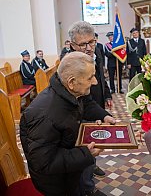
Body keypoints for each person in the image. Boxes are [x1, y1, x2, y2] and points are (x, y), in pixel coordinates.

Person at [20, 52, 115, 196]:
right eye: (90, 77)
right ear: (71, 82)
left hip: (71, 174)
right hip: (58, 185)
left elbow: (70, 120)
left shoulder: (69, 92)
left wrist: (93, 122)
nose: (95, 81)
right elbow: (44, 163)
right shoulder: (44, 114)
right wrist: (85, 154)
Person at [69, 21, 114, 196]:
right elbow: (82, 100)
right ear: (73, 45)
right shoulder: (71, 65)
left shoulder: (98, 52)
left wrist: (107, 95)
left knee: (95, 144)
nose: (89, 47)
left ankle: (92, 167)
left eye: (91, 41)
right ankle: (88, 188)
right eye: (83, 44)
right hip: (81, 113)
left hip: (97, 105)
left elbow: (102, 76)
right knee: (85, 147)